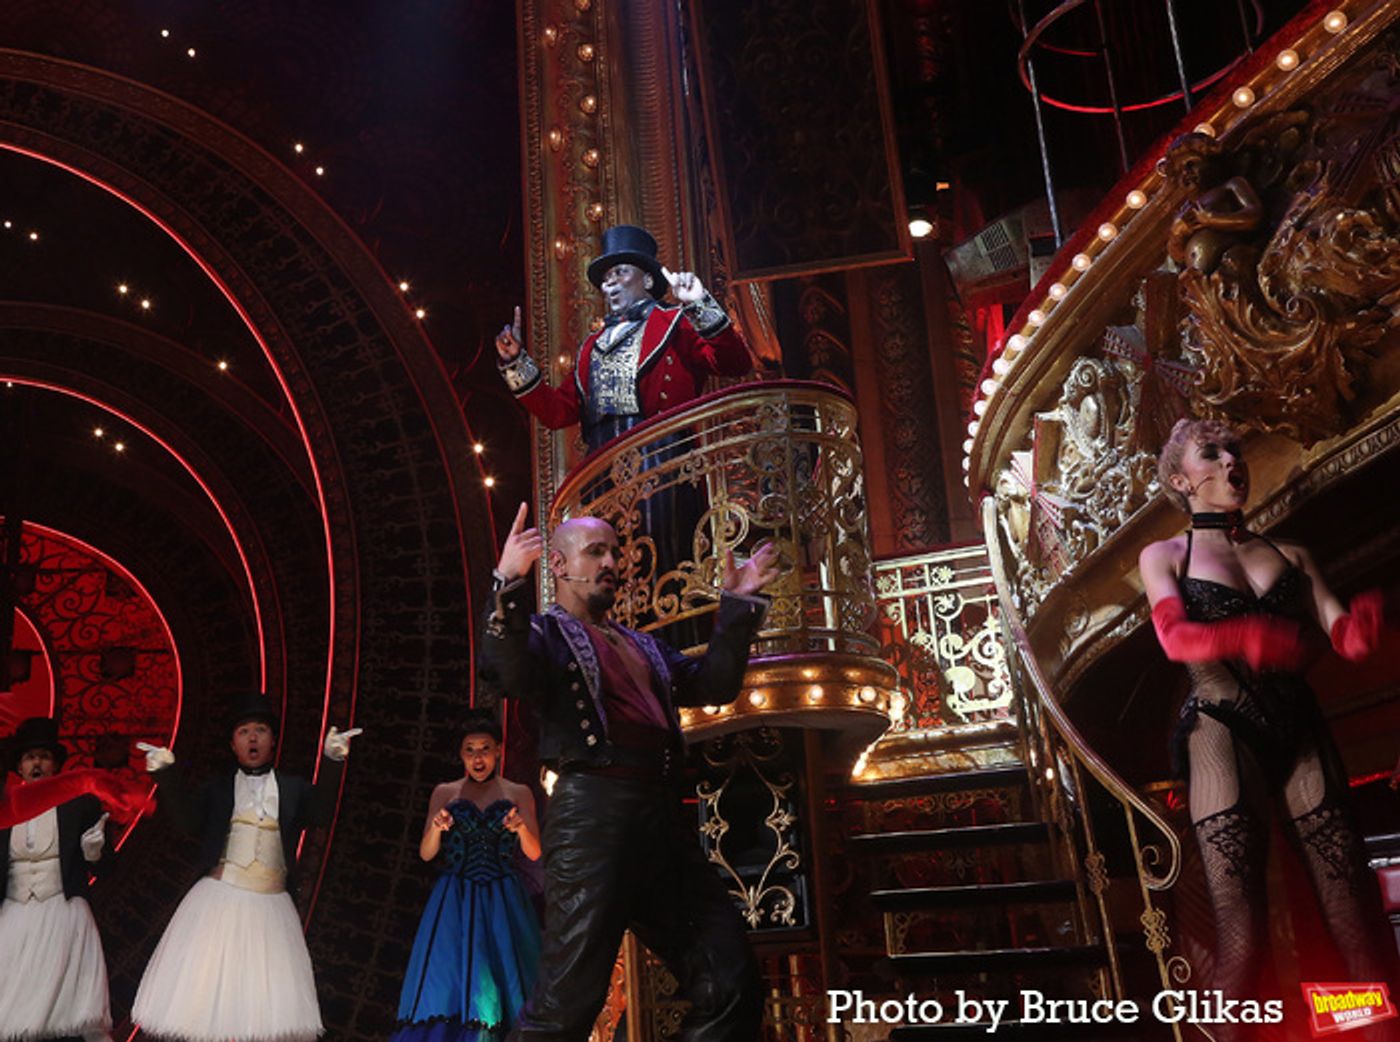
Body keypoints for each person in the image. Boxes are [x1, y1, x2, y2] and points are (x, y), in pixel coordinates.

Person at [478, 503, 779, 1042]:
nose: (612, 561)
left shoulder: (643, 644)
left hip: (660, 817)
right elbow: (505, 670)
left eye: (615, 552)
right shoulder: (548, 636)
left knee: (730, 978)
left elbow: (714, 686)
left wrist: (738, 604)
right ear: (561, 566)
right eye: (596, 552)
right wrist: (506, 584)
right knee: (568, 1003)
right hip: (593, 817)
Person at [1139, 418, 1395, 1040]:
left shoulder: (1292, 554)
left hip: (1297, 725)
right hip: (1220, 728)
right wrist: (1242, 634)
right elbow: (1175, 637)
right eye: (1212, 452)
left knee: (1353, 915)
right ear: (1181, 479)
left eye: (1235, 449)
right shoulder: (1165, 555)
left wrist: (1359, 630)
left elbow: (1341, 635)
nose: (1231, 460)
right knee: (1242, 930)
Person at [130, 695, 360, 1042]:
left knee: (264, 1007)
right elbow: (188, 821)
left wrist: (332, 761)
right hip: (219, 900)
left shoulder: (292, 787)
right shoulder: (219, 789)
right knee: (206, 999)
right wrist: (165, 773)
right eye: (244, 731)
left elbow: (321, 813)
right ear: (232, 744)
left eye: (261, 731)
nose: (253, 738)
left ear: (272, 741)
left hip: (270, 906)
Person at [495, 224, 753, 454]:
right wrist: (517, 362)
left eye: (620, 272)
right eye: (607, 278)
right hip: (602, 471)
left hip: (664, 461)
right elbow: (557, 412)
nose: (611, 283)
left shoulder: (675, 322)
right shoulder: (591, 347)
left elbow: (735, 363)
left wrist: (699, 303)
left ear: (649, 279)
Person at [392, 709, 542, 1042]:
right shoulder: (446, 792)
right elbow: (427, 853)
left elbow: (534, 853)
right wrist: (435, 828)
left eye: (485, 748)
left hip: (503, 899)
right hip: (455, 899)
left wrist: (520, 829)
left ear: (499, 750)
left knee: (505, 983)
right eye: (470, 750)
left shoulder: (519, 792)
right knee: (452, 983)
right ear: (461, 754)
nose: (478, 758)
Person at [0, 717, 114, 1042]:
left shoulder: (81, 805)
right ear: (19, 767)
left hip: (63, 912)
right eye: (29, 757)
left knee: (72, 1013)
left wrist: (94, 853)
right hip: (14, 916)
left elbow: (106, 868)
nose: (37, 763)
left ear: (56, 765)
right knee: (13, 1011)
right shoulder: (4, 809)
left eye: (44, 756)